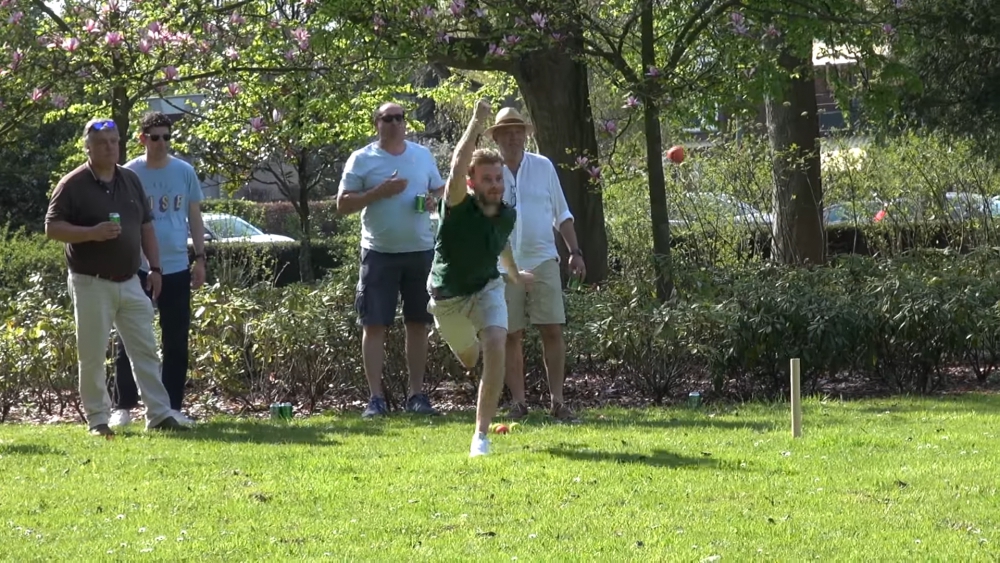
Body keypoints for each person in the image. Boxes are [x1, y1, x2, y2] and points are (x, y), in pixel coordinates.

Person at [44, 117, 187, 436]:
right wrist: (91, 233)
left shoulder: (130, 179)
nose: (110, 147)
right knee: (93, 355)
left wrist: (155, 268)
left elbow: (147, 226)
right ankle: (97, 420)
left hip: (130, 280)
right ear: (88, 148)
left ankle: (159, 415)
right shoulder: (72, 184)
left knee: (146, 349)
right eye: (102, 143)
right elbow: (52, 228)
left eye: (114, 141)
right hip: (91, 281)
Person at [427, 99, 533, 457]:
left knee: (496, 344)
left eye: (499, 179)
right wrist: (475, 122)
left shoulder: (507, 215)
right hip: (448, 298)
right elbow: (456, 166)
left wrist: (516, 276)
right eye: (487, 179)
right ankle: (466, 353)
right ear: (472, 182)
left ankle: (481, 437)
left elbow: (501, 248)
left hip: (488, 287)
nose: (495, 185)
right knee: (470, 359)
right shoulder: (457, 204)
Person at [336, 102, 446, 418]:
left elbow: (438, 191)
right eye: (389, 118)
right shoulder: (362, 159)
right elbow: (342, 204)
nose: (396, 123)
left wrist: (434, 198)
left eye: (400, 118)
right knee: (374, 324)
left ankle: (417, 396)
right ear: (377, 123)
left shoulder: (422, 155)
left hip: (420, 250)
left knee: (418, 324)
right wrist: (378, 192)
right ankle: (375, 400)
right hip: (379, 252)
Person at [486, 107, 586, 423]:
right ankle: (519, 403)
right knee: (511, 334)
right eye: (508, 131)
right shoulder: (489, 172)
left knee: (552, 329)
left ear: (526, 135)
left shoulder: (543, 167)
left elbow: (562, 213)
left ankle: (557, 401)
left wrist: (575, 251)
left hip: (543, 257)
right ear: (497, 136)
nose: (514, 136)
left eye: (519, 130)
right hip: (504, 264)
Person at [108, 111, 206, 428]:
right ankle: (122, 406)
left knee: (176, 340)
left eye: (166, 137)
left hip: (177, 267)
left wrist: (200, 258)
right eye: (155, 137)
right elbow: (117, 216)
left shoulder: (184, 172)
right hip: (136, 268)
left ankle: (170, 407)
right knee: (130, 336)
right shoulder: (128, 173)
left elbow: (194, 216)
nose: (161, 142)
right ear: (142, 139)